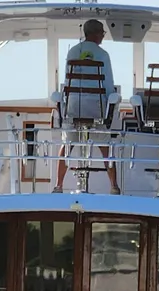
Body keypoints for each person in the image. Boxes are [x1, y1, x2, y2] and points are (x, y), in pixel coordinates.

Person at [53, 19, 120, 194]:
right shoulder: (103, 54)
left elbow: (68, 82)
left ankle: (58, 185)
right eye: (103, 33)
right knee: (105, 145)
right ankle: (114, 186)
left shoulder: (73, 51)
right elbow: (107, 84)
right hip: (95, 108)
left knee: (67, 143)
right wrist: (110, 106)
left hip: (73, 106)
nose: (103, 37)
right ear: (96, 33)